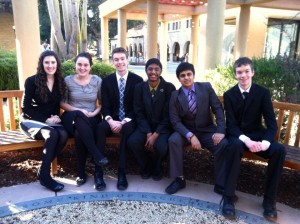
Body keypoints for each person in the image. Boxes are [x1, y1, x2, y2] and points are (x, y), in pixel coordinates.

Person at [165, 62, 239, 220]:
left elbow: (218, 109)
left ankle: (220, 183)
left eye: (188, 74)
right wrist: (190, 136)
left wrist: (220, 131)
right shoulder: (175, 96)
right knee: (173, 141)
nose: (186, 78)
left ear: (193, 74)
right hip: (185, 130)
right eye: (182, 75)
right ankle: (178, 179)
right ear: (179, 78)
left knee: (223, 144)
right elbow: (175, 121)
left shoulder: (205, 87)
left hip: (206, 130)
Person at [223, 57, 286, 221]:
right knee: (234, 147)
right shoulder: (229, 95)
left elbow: (272, 124)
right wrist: (246, 140)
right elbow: (231, 125)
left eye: (246, 71)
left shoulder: (262, 93)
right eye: (239, 72)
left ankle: (269, 201)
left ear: (252, 72)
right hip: (238, 136)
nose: (243, 75)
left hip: (257, 136)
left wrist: (265, 143)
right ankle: (228, 198)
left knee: (279, 150)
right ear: (235, 74)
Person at [96, 47, 143, 191]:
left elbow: (137, 107)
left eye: (122, 59)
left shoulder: (137, 80)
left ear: (127, 60)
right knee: (100, 128)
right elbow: (105, 106)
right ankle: (98, 172)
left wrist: (123, 122)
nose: (120, 62)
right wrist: (110, 121)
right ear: (112, 61)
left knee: (127, 129)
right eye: (116, 59)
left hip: (129, 120)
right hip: (113, 118)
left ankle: (121, 172)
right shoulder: (107, 81)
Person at [20, 50, 68, 192]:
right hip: (31, 121)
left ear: (57, 64)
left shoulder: (60, 81)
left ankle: (42, 171)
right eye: (46, 62)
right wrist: (46, 119)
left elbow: (57, 105)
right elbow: (25, 108)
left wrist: (57, 117)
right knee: (52, 134)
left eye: (53, 62)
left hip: (50, 122)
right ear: (41, 64)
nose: (50, 65)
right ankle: (46, 177)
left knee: (64, 134)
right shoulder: (32, 81)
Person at [61, 52, 108, 190]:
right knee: (78, 121)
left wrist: (94, 112)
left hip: (91, 117)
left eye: (85, 65)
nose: (82, 67)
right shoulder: (68, 80)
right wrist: (78, 111)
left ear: (90, 66)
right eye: (79, 64)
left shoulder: (97, 81)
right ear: (75, 65)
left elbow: (101, 103)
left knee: (79, 133)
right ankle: (97, 155)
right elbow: (62, 103)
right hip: (71, 116)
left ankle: (81, 172)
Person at [127, 58, 175, 181]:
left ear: (161, 71)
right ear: (146, 70)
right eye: (150, 69)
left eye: (156, 69)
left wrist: (156, 134)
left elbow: (169, 114)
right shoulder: (139, 88)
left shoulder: (169, 88)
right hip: (144, 127)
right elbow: (138, 111)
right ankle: (145, 165)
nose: (153, 72)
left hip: (163, 128)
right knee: (133, 141)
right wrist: (148, 132)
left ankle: (157, 166)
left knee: (161, 147)